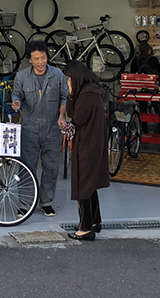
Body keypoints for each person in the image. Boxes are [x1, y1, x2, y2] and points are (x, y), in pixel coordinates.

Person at [12, 41, 68, 217]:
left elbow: (64, 97)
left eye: (43, 57)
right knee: (27, 167)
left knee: (51, 167)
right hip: (29, 128)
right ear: (30, 60)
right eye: (36, 59)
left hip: (52, 127)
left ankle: (46, 202)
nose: (41, 62)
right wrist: (16, 103)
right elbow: (16, 94)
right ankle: (25, 203)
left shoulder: (57, 74)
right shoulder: (21, 76)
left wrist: (62, 116)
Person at [62, 61, 110, 241]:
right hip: (93, 142)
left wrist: (71, 95)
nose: (68, 83)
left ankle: (85, 228)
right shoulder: (92, 91)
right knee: (90, 184)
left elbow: (77, 117)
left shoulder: (87, 95)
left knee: (83, 184)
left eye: (69, 79)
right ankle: (94, 221)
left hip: (87, 144)